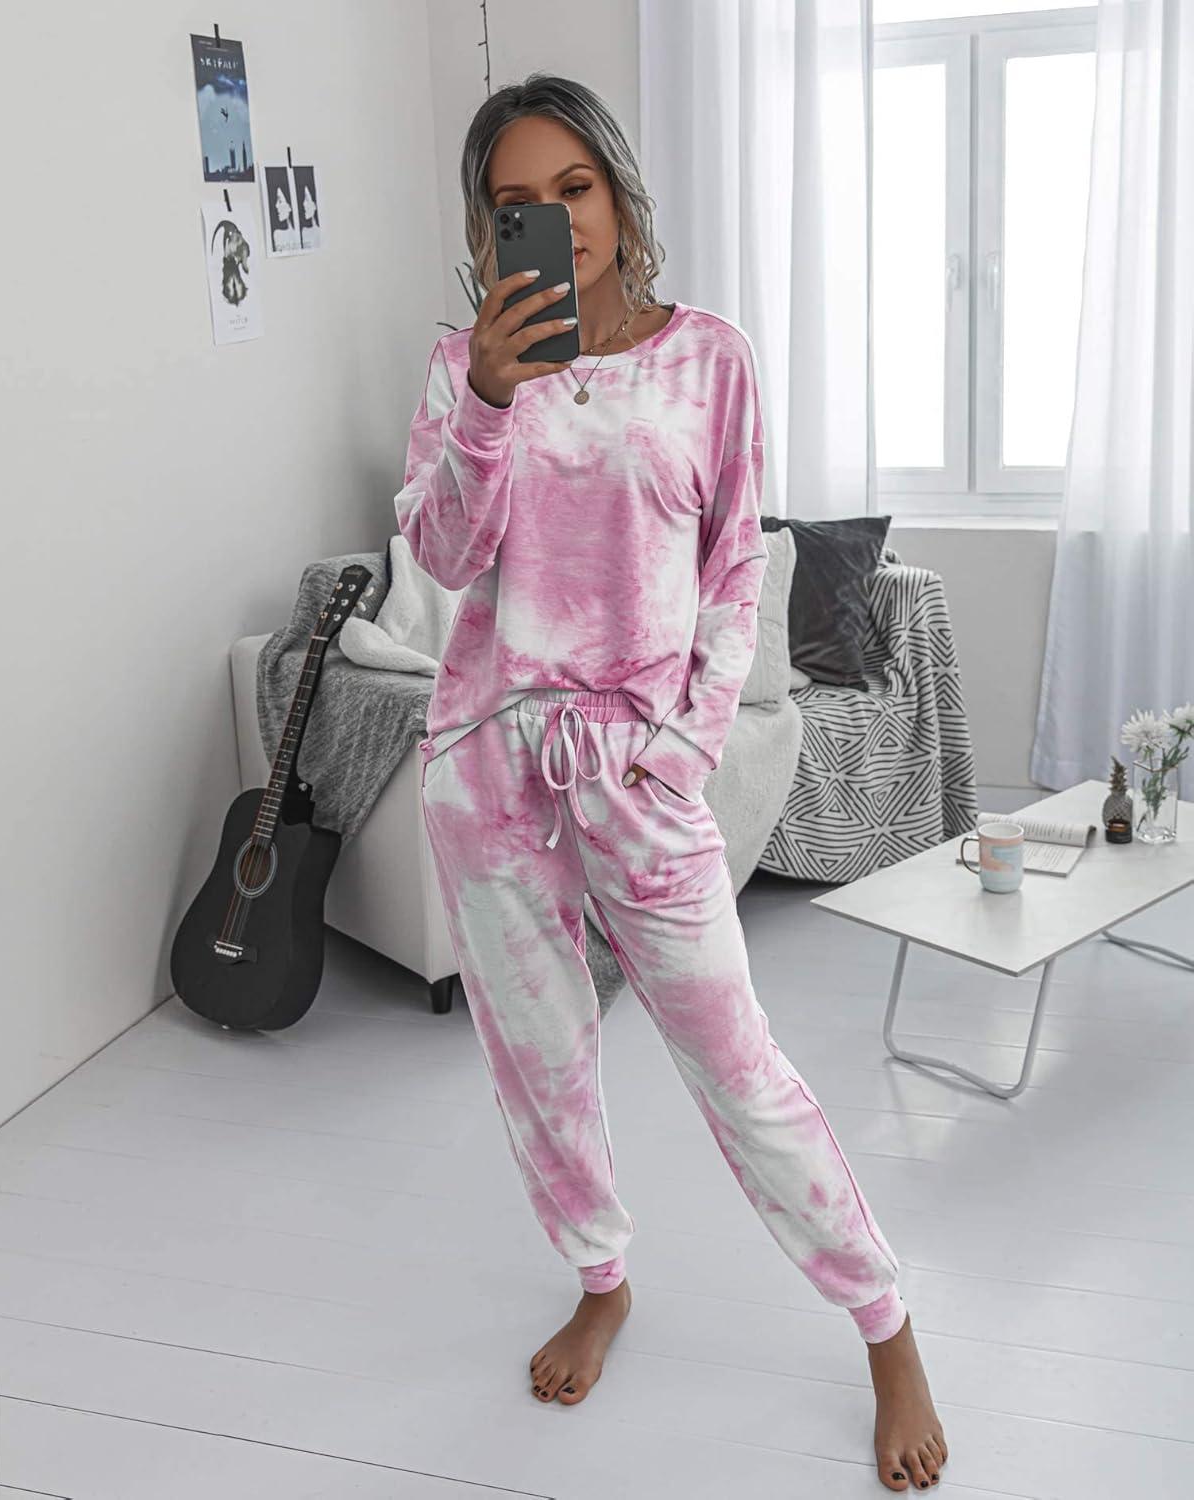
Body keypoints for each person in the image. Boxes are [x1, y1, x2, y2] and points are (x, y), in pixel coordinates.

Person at [395, 72, 948, 1493]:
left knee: (739, 1063)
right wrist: (489, 399)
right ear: (485, 227)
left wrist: (687, 747)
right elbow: (444, 558)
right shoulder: (465, 368)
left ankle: (883, 1322)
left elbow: (734, 567)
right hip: (490, 769)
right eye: (515, 204)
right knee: (539, 1061)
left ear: (619, 194)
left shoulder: (710, 360)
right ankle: (601, 1276)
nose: (553, 220)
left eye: (572, 189)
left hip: (636, 771)